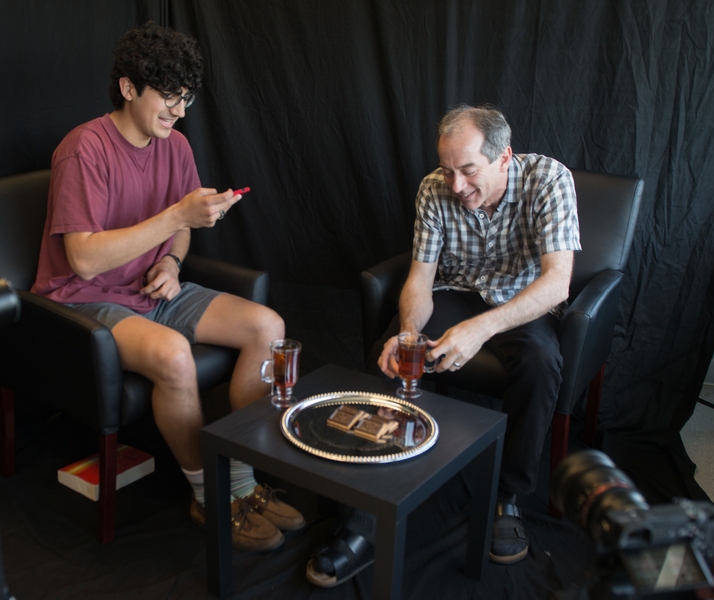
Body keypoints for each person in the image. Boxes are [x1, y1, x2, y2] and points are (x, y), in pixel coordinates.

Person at [31, 22, 304, 552]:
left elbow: (179, 231)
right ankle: (211, 495)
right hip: (83, 301)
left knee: (267, 325)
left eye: (187, 99)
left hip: (152, 288)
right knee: (176, 357)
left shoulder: (175, 144)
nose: (180, 111)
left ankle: (242, 482)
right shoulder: (82, 149)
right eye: (170, 97)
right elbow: (83, 260)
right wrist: (179, 213)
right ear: (130, 88)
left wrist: (175, 264)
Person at [306, 104, 580, 586]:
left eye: (468, 170)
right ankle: (365, 514)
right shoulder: (435, 187)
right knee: (390, 356)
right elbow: (420, 279)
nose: (455, 185)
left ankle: (507, 497)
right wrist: (408, 330)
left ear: (503, 157)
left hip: (522, 300)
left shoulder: (548, 179)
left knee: (540, 361)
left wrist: (482, 330)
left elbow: (557, 284)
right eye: (448, 170)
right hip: (457, 292)